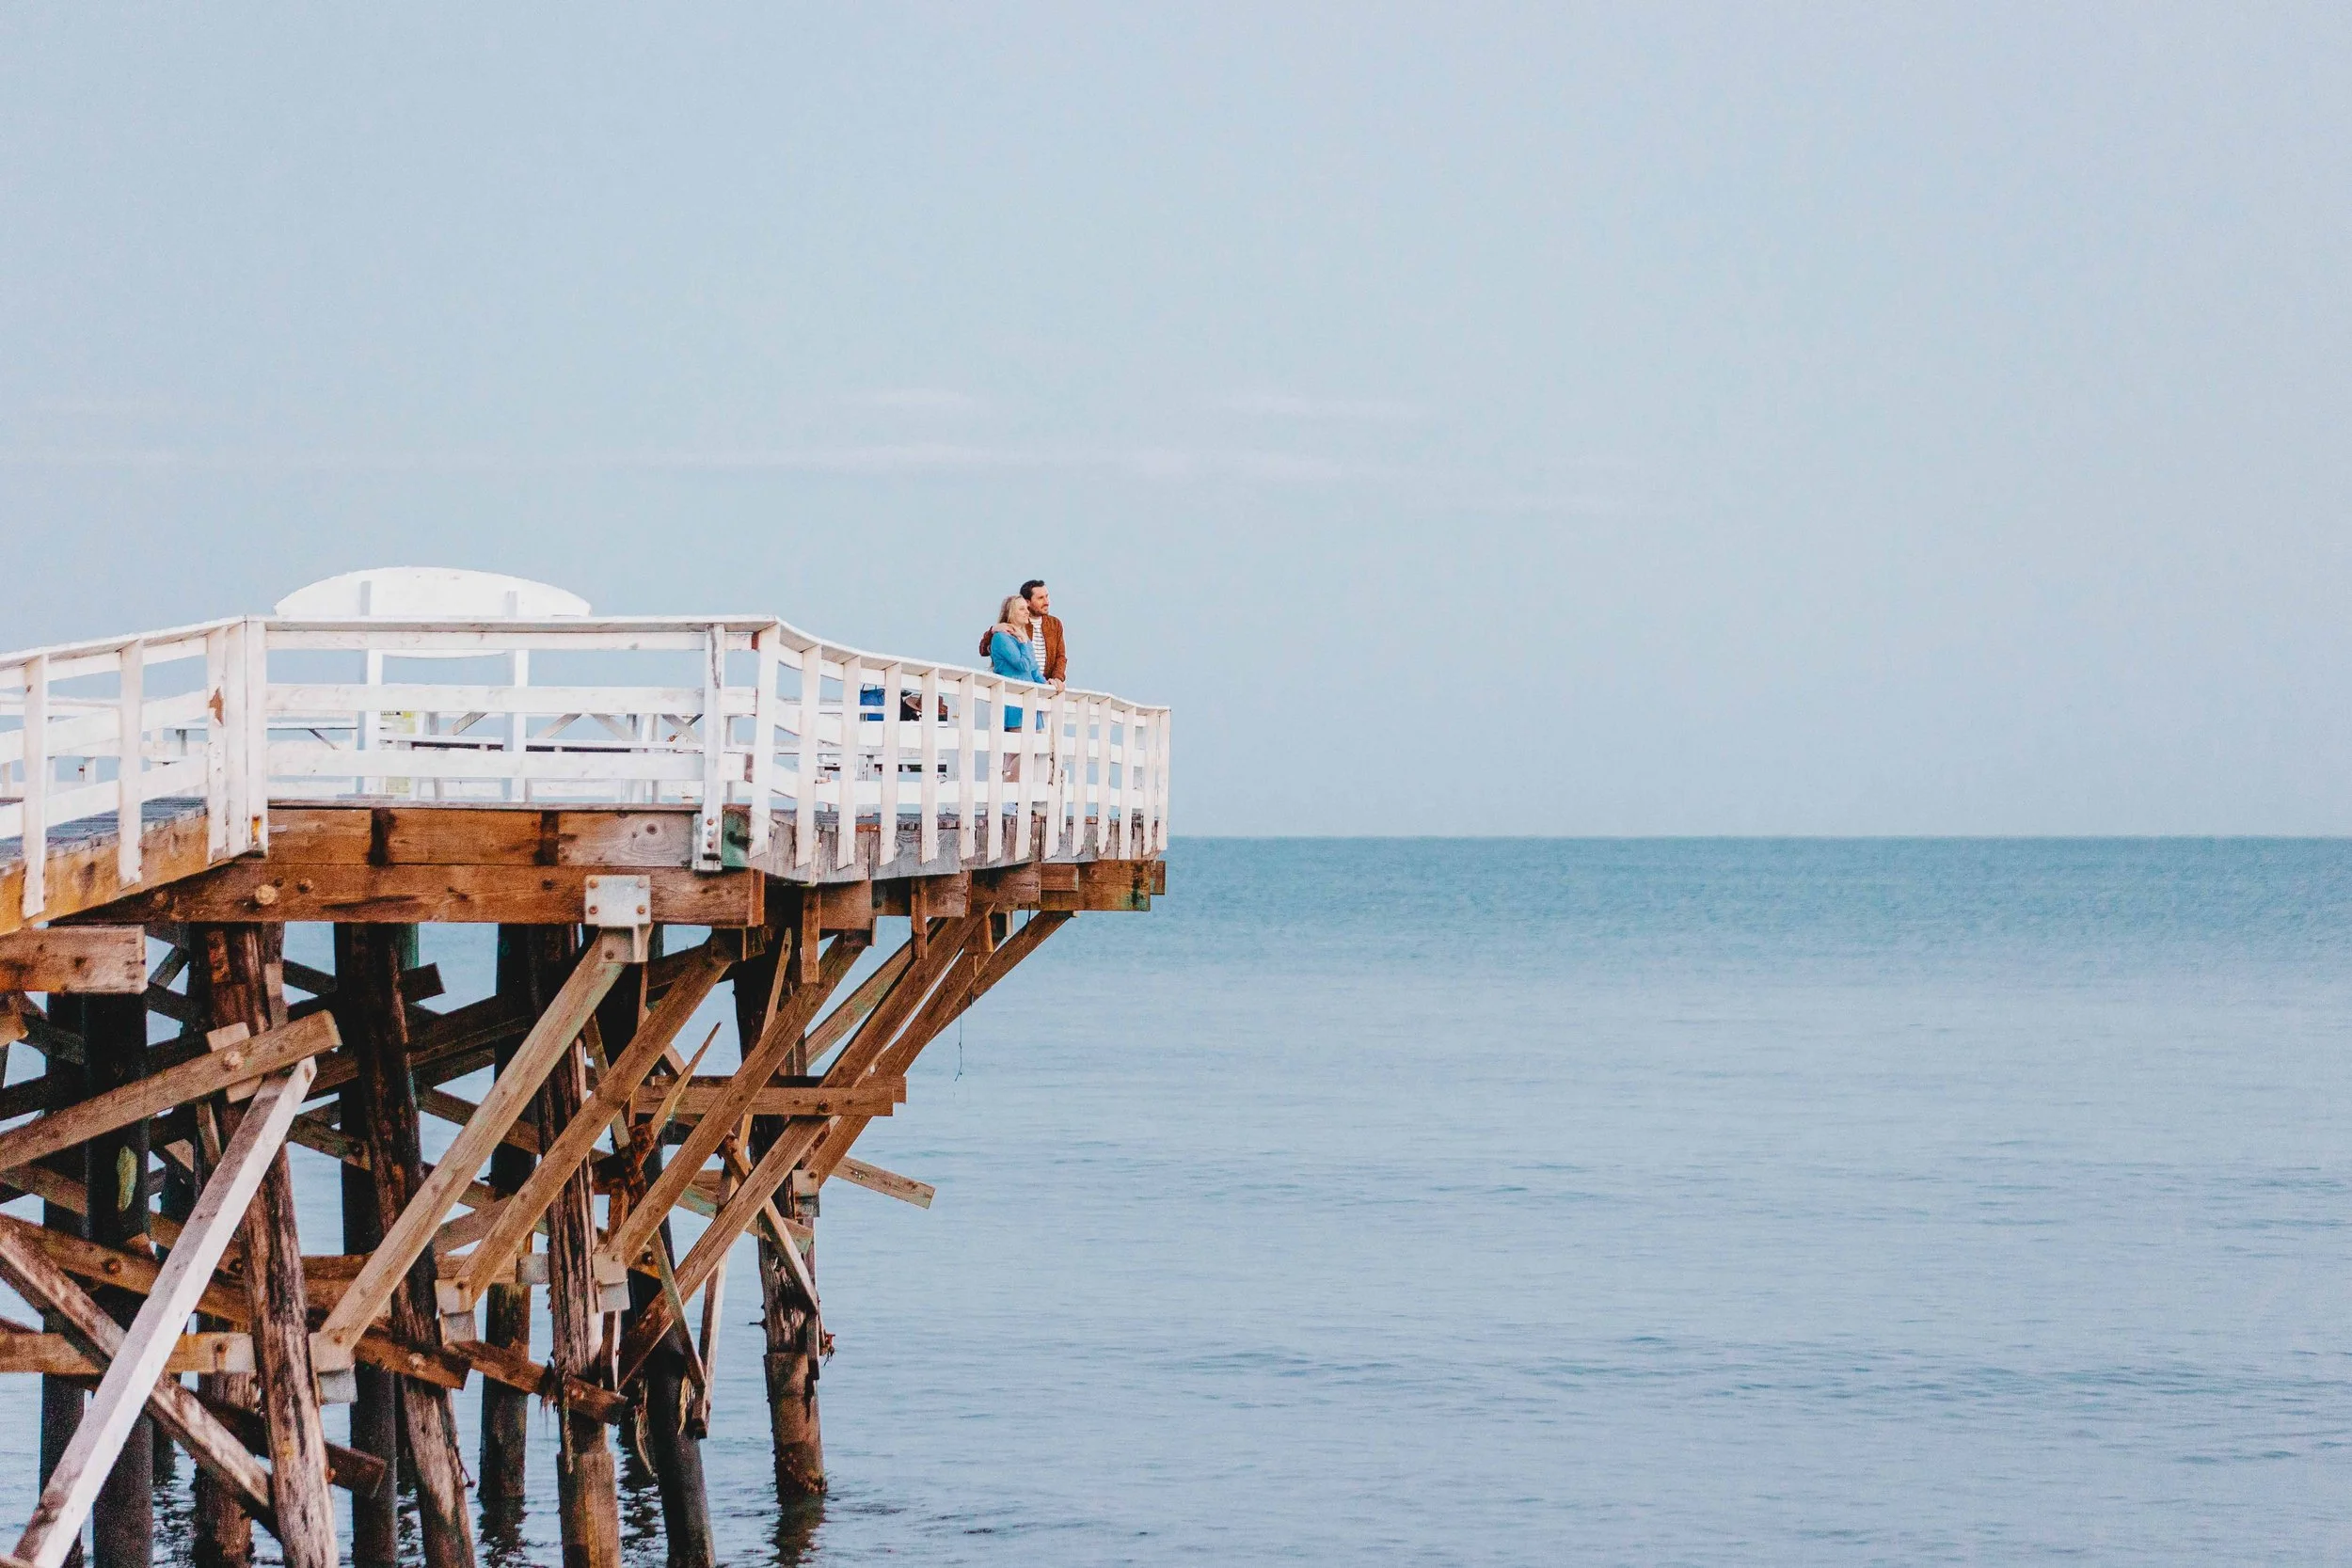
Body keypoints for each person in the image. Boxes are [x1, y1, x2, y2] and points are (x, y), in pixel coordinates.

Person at [988, 593, 1045, 780]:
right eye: (1021, 609)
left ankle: (1005, 795)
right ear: (1010, 613)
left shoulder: (1021, 638)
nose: (1026, 612)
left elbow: (1034, 671)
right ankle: (1007, 795)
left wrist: (1050, 688)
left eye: (1026, 608)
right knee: (1022, 749)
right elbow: (1023, 665)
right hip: (1014, 701)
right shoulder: (1001, 638)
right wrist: (1025, 642)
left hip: (1029, 702)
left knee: (1026, 749)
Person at [978, 578, 1066, 691]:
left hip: (1042, 684)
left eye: (1047, 596)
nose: (1046, 602)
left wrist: (1056, 679)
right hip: (1019, 686)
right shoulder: (1017, 626)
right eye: (1040, 598)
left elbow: (1061, 657)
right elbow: (984, 650)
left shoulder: (1055, 624)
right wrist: (992, 630)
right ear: (1027, 601)